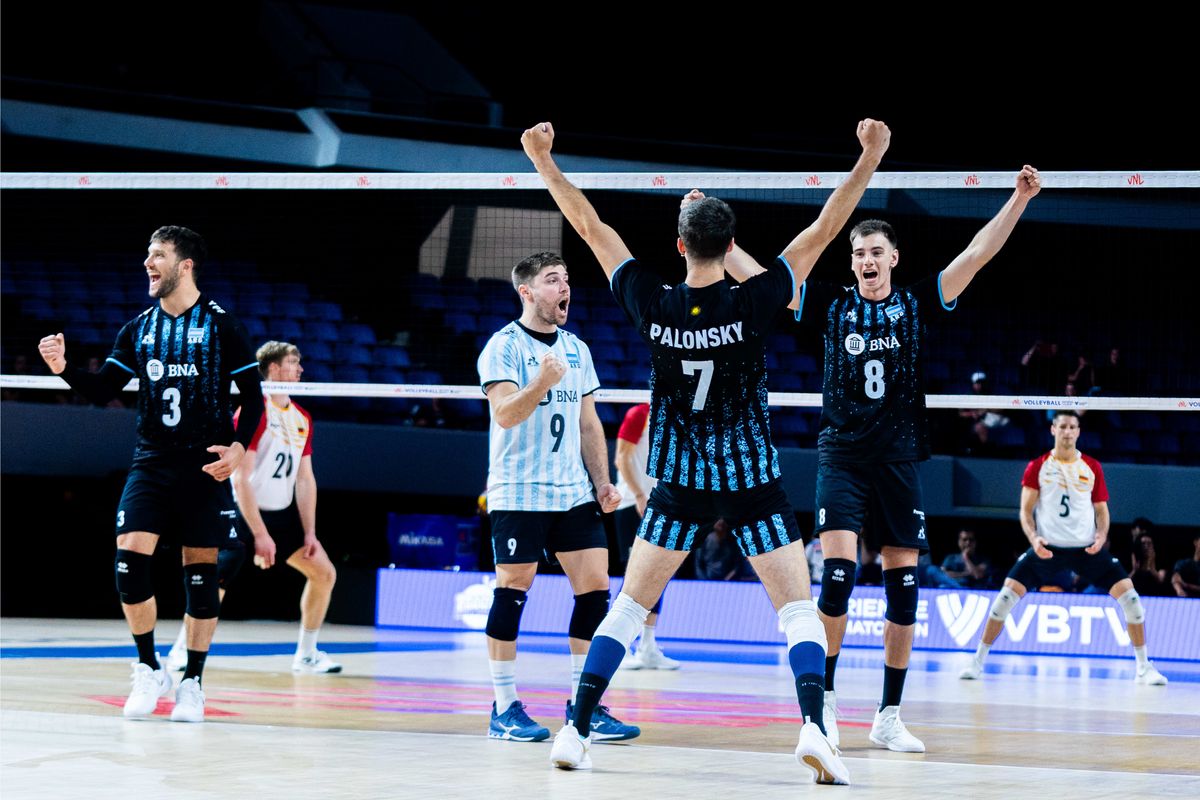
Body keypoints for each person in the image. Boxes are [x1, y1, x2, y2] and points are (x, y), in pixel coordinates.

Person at [526, 118, 892, 784]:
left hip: (679, 481)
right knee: (797, 610)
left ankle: (575, 729)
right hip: (750, 478)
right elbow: (826, 230)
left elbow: (590, 227)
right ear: (730, 247)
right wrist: (870, 156)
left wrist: (543, 162)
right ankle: (814, 726)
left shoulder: (654, 303)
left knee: (629, 607)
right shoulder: (755, 299)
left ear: (679, 245)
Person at [760, 165, 1043, 754]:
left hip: (899, 461)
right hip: (840, 456)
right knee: (836, 579)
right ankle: (826, 705)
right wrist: (720, 240)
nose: (866, 260)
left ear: (893, 258)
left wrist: (1017, 199)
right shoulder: (831, 307)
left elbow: (976, 255)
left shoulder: (917, 303)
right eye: (858, 252)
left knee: (904, 592)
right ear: (852, 262)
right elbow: (765, 281)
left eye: (876, 252)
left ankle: (889, 715)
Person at [38, 226, 264, 722]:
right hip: (152, 461)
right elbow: (102, 392)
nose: (147, 262)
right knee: (128, 561)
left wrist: (239, 448)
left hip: (203, 465)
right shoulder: (138, 327)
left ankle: (192, 683)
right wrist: (62, 368)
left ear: (185, 265)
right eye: (147, 254)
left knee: (201, 574)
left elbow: (253, 399)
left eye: (158, 254)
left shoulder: (223, 325)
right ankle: (147, 667)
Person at [477, 251, 638, 745]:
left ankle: (582, 705)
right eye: (552, 281)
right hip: (519, 490)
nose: (564, 288)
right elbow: (505, 414)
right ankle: (504, 708)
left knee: (594, 590)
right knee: (513, 588)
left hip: (572, 492)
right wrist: (540, 383)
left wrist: (603, 481)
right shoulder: (501, 348)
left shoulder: (577, 349)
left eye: (566, 280)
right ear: (527, 292)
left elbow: (590, 423)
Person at [164, 341, 341, 674]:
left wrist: (310, 532)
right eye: (293, 362)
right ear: (273, 369)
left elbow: (305, 479)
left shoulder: (302, 418)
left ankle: (306, 655)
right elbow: (240, 478)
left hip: (282, 515)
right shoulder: (254, 410)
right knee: (214, 579)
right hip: (244, 512)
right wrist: (259, 533)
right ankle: (181, 650)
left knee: (324, 573)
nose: (301, 369)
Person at [959, 411, 1168, 685]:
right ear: (1053, 430)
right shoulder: (1038, 466)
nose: (1067, 432)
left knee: (1133, 603)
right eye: (1062, 427)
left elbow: (1102, 510)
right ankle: (977, 661)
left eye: (1072, 427)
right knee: (1002, 602)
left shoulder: (1092, 466)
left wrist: (1102, 535)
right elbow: (1025, 511)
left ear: (1078, 431)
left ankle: (1143, 668)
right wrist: (1034, 539)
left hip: (1087, 550)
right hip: (1047, 549)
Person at [613, 402, 679, 669]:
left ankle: (647, 647)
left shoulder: (676, 419)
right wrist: (640, 494)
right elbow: (621, 457)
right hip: (632, 505)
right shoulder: (639, 414)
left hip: (660, 506)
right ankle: (619, 646)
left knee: (658, 574)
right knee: (634, 579)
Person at [1171, 531, 1200, 598]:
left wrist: (1186, 585)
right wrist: (1179, 590)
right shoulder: (1183, 563)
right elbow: (1175, 577)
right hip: (1186, 600)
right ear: (1195, 542)